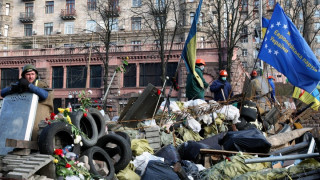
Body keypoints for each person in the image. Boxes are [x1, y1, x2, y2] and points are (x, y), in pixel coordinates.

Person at [1, 64, 53, 141]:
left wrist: (29, 86)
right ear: (24, 75)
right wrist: (13, 88)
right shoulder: (20, 83)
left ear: (36, 75)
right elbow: (2, 93)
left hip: (37, 116)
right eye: (28, 74)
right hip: (22, 115)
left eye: (32, 74)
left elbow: (45, 95)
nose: (30, 77)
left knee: (35, 133)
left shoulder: (40, 84)